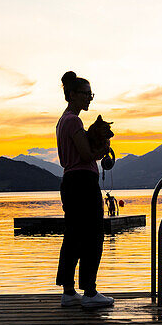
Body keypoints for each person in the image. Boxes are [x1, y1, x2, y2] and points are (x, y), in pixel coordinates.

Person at [56, 71, 114, 309]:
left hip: (70, 182)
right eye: (86, 94)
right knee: (92, 235)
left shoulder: (62, 121)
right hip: (82, 183)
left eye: (91, 94)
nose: (89, 98)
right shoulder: (73, 121)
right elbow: (87, 155)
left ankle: (69, 292)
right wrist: (105, 150)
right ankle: (89, 292)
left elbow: (67, 159)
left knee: (73, 236)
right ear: (72, 95)